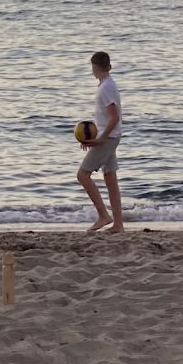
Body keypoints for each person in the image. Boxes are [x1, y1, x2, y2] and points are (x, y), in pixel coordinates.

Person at [77, 51, 124, 234]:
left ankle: (103, 215)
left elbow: (114, 117)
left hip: (108, 138)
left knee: (83, 175)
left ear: (94, 67)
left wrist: (100, 139)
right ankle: (118, 225)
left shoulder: (106, 88)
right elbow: (107, 117)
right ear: (109, 66)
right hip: (111, 136)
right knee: (110, 179)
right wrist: (91, 136)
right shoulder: (107, 84)